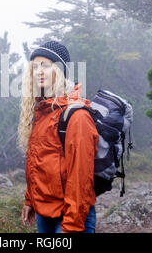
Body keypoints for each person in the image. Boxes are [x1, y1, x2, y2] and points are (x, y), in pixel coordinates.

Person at [17, 41, 99, 233]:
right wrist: (30, 199)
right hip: (44, 214)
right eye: (35, 67)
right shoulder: (42, 112)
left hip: (71, 218)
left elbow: (80, 179)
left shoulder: (76, 116)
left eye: (45, 65)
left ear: (60, 71)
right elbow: (37, 162)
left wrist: (71, 226)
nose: (39, 71)